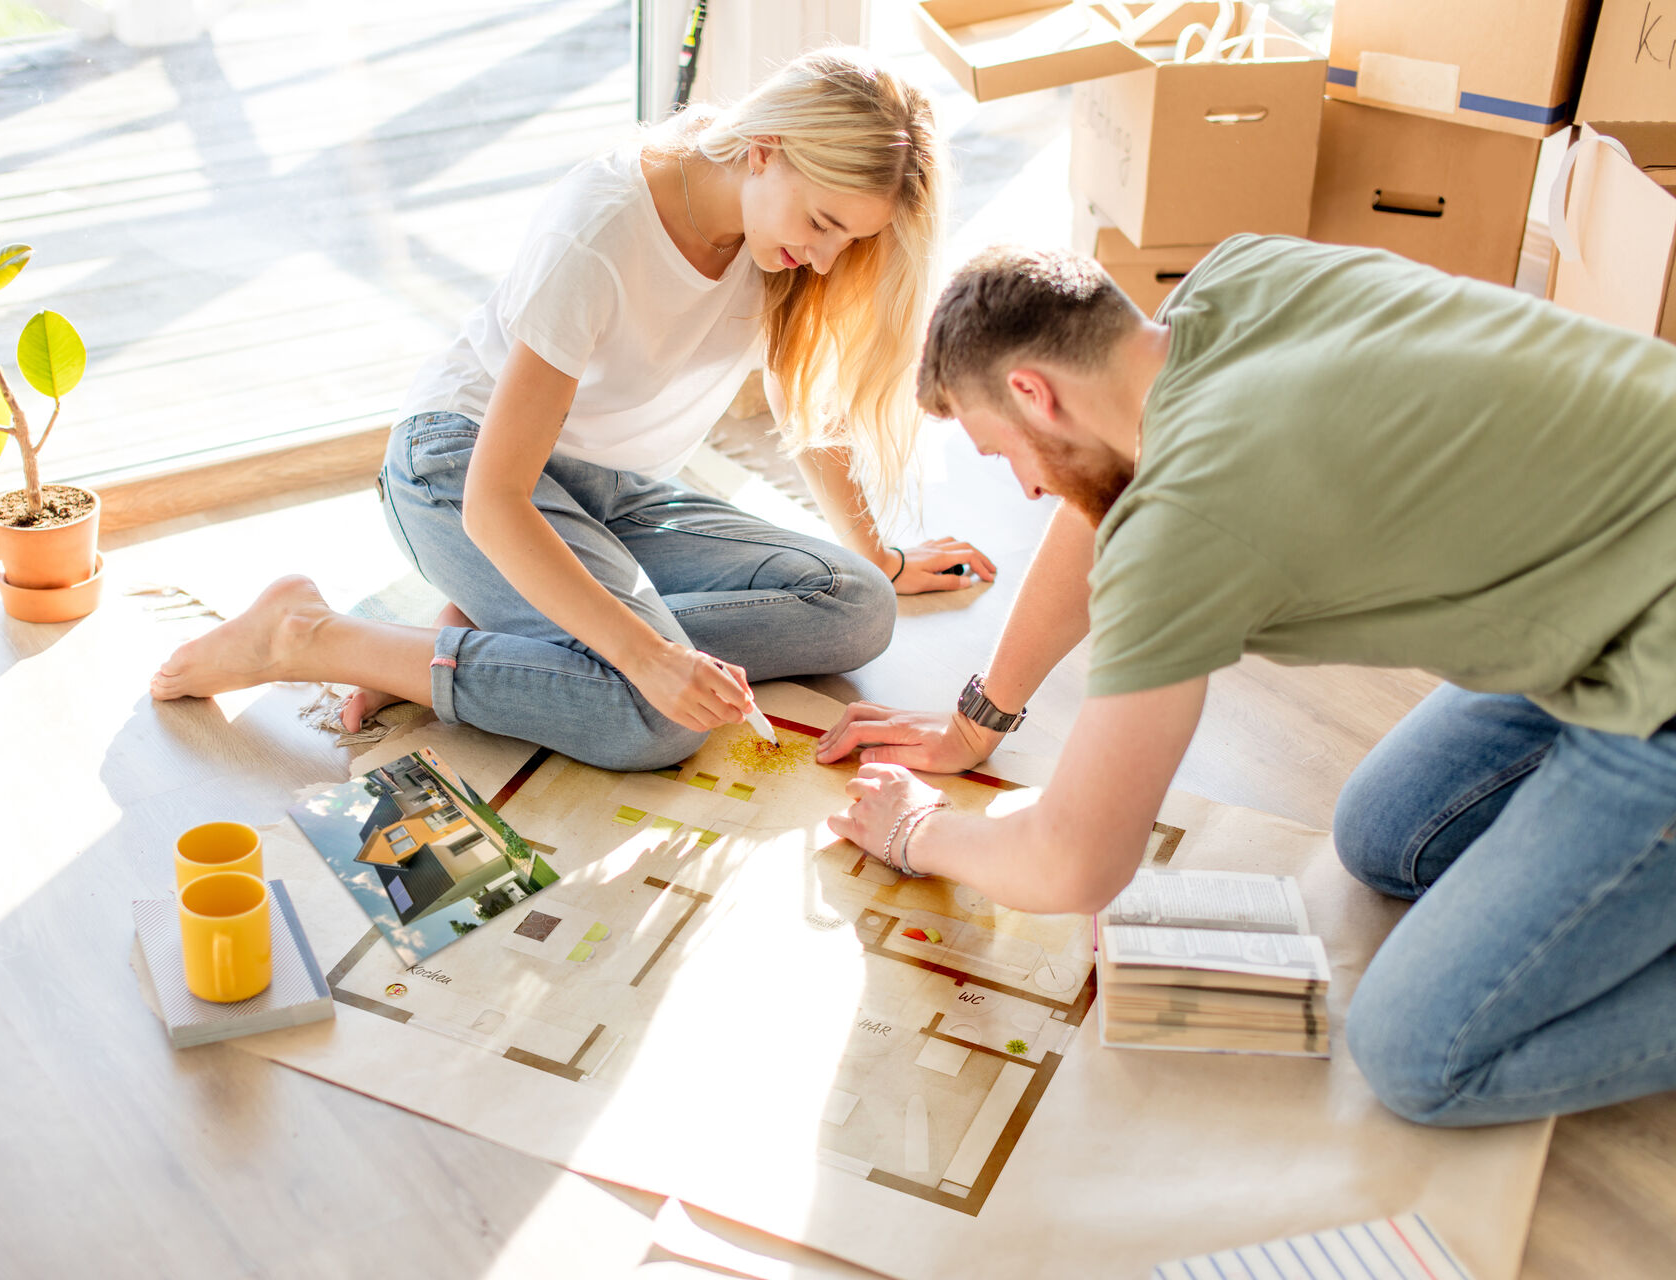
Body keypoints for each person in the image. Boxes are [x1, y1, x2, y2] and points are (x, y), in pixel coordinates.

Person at [819, 234, 1676, 1128]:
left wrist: (917, 830)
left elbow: (1076, 863)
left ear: (1034, 392)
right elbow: (1099, 502)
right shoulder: (1230, 283)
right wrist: (977, 722)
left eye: (1003, 453)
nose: (1028, 489)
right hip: (1622, 555)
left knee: (1420, 1055)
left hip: (1659, 678)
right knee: (1387, 835)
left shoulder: (1189, 525)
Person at [151, 47, 995, 770]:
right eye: (823, 222)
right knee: (655, 713)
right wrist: (647, 656)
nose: (825, 257)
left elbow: (803, 401)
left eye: (848, 238)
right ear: (765, 149)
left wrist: (880, 557)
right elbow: (495, 501)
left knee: (856, 606)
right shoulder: (602, 229)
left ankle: (496, 638)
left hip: (610, 495)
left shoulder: (775, 243)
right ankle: (309, 636)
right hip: (462, 471)